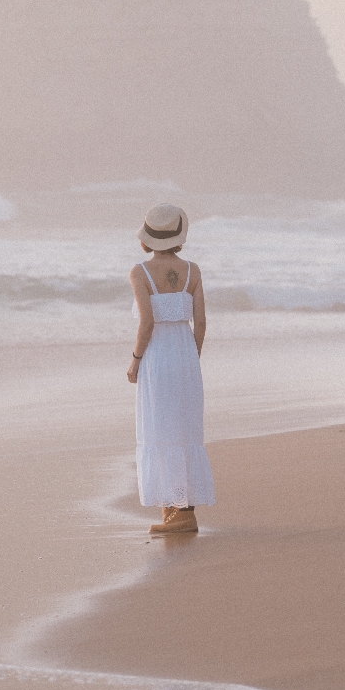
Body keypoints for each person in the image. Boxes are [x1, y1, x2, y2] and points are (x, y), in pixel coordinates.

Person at [127, 203, 215, 535]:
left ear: (148, 238)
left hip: (157, 357)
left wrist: (135, 360)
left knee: (159, 428)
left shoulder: (140, 272)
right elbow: (201, 322)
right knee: (185, 429)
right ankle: (181, 513)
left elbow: (147, 323)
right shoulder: (193, 270)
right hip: (185, 355)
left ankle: (176, 514)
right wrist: (192, 359)